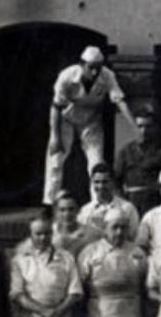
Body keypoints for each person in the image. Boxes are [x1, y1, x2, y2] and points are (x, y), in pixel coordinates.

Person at [45, 46, 135, 206]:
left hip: (91, 120)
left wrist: (134, 126)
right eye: (91, 68)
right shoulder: (66, 76)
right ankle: (49, 203)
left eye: (98, 68)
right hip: (66, 118)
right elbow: (56, 107)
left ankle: (97, 203)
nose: (94, 72)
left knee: (96, 162)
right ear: (82, 64)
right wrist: (55, 137)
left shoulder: (107, 76)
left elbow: (119, 100)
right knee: (56, 159)